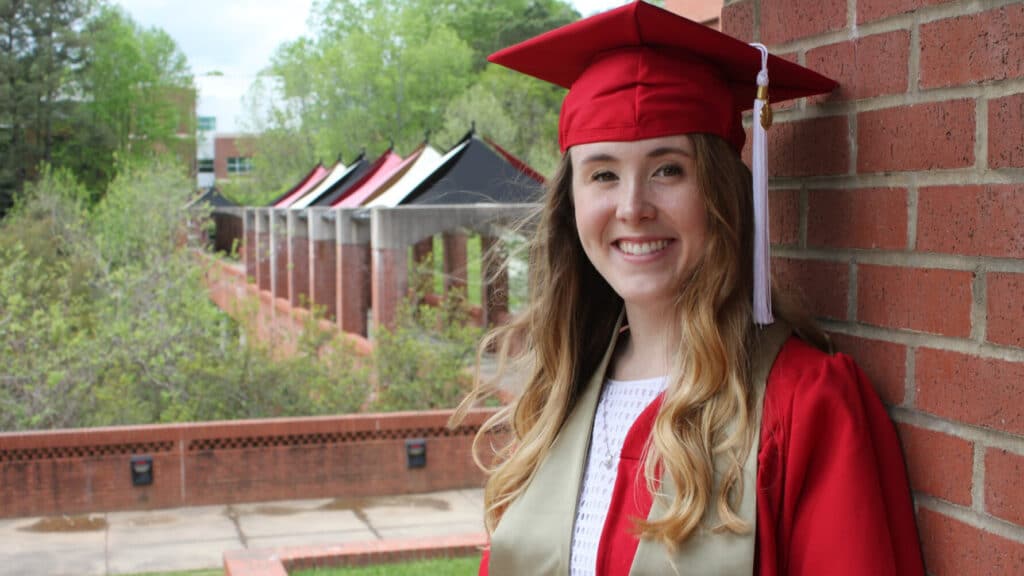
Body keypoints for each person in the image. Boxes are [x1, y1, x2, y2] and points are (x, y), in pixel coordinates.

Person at [454, 2, 925, 575]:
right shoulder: (563, 393)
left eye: (668, 169)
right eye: (603, 173)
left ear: (722, 194)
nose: (632, 208)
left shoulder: (801, 404)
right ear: (571, 203)